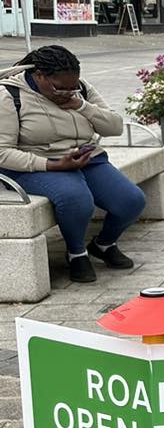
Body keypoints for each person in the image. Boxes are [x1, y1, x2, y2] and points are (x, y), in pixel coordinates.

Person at [0, 46, 145, 283]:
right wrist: (52, 165)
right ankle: (77, 253)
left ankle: (104, 244)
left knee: (131, 200)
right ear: (39, 76)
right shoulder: (8, 95)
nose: (68, 92)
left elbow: (115, 127)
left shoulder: (81, 89)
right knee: (77, 199)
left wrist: (82, 106)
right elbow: (2, 153)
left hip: (87, 159)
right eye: (60, 87)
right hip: (37, 163)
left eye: (72, 87)